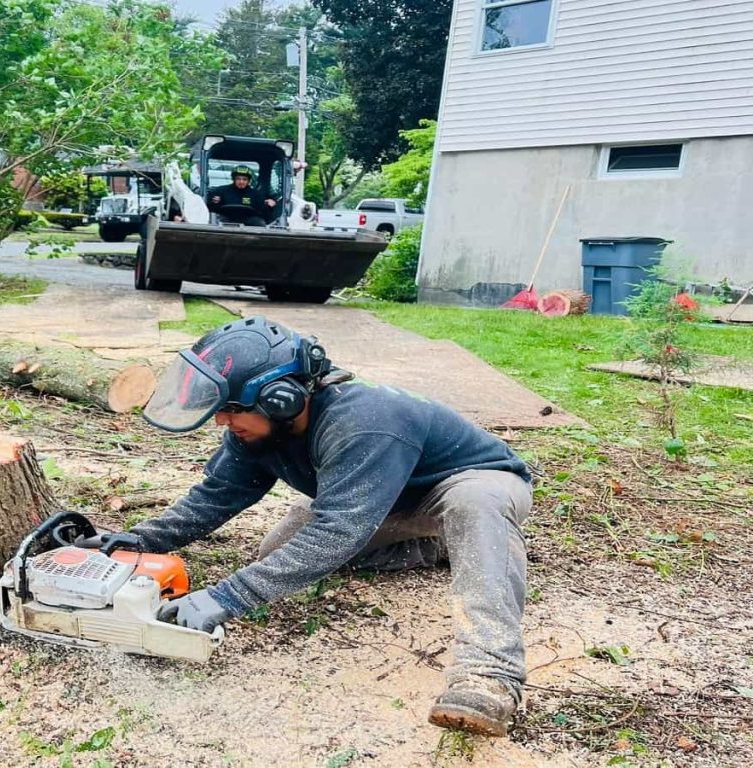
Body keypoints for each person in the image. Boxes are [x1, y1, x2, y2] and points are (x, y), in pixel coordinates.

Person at [82, 316, 533, 737]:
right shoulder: (256, 432)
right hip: (376, 500)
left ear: (282, 399)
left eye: (232, 408)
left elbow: (336, 530)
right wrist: (141, 540)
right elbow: (217, 494)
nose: (221, 420)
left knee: (474, 504)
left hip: (467, 486)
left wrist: (228, 596)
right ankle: (439, 548)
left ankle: (489, 673)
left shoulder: (363, 421)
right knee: (279, 548)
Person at [206, 165, 277, 225]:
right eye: (238, 179)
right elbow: (210, 208)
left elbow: (264, 214)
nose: (241, 182)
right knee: (213, 220)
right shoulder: (220, 191)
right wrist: (214, 202)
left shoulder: (256, 195)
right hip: (224, 221)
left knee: (260, 223)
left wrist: (269, 206)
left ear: (249, 181)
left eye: (244, 179)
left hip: (249, 223)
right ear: (233, 179)